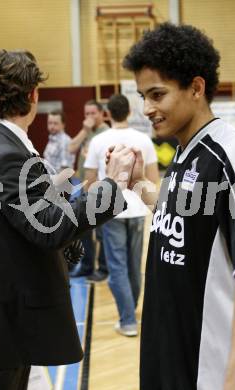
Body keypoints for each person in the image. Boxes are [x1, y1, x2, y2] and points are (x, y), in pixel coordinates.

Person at [0, 49, 135, 390]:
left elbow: (4, 228)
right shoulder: (5, 156)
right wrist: (114, 185)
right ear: (33, 95)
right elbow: (51, 227)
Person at [122, 23, 235, 389]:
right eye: (142, 96)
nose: (147, 108)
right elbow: (180, 216)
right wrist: (137, 183)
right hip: (172, 358)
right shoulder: (186, 151)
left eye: (157, 95)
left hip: (211, 372)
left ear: (196, 88)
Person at [84, 94, 159, 336]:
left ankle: (127, 318)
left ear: (107, 114)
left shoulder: (99, 140)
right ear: (128, 113)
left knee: (117, 267)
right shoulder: (143, 139)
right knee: (134, 266)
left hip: (111, 210)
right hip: (138, 208)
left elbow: (90, 180)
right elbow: (153, 179)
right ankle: (130, 310)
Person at [68, 100, 109, 281]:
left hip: (99, 186)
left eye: (93, 113)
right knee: (83, 229)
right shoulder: (87, 132)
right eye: (87, 114)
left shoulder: (106, 133)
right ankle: (86, 265)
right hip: (82, 185)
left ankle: (104, 268)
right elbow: (71, 148)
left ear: (101, 114)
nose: (89, 118)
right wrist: (84, 129)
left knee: (101, 232)